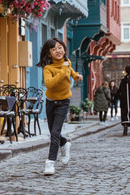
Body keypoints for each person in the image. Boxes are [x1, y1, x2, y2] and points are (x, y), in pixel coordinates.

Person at [36, 37, 83, 176]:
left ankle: (50, 163)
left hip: (63, 102)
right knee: (53, 132)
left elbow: (71, 72)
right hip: (51, 102)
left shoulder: (67, 63)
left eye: (60, 47)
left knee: (55, 133)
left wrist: (76, 76)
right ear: (49, 53)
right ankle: (65, 144)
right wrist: (63, 71)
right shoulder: (48, 68)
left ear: (64, 49)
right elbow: (49, 84)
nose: (58, 50)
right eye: (54, 48)